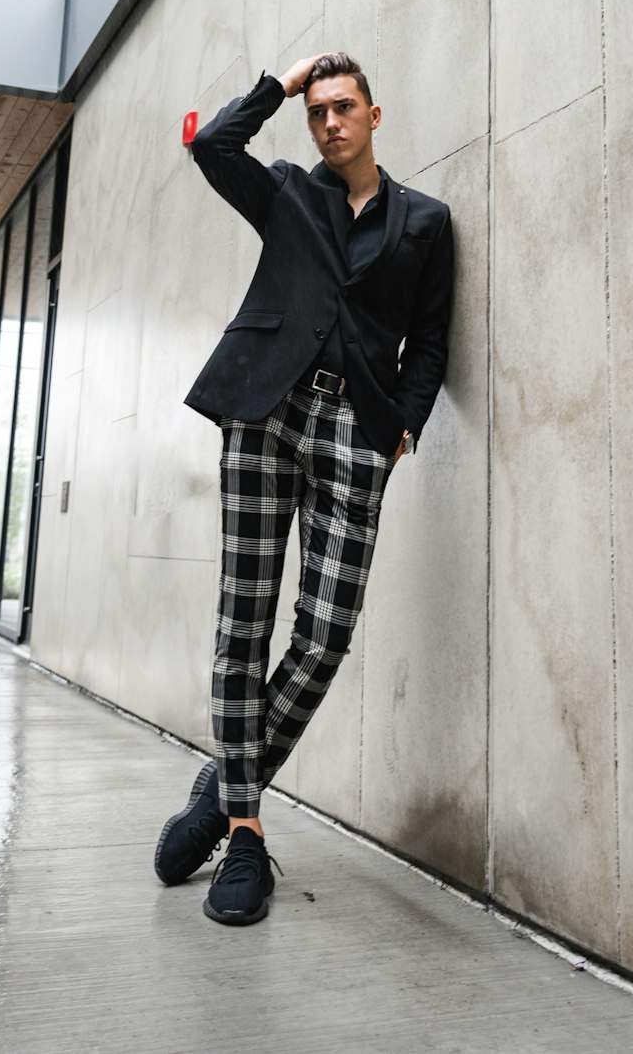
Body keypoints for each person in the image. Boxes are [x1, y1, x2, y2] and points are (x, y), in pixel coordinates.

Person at [153, 52, 454, 925]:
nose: (329, 121)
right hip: (264, 410)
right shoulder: (287, 190)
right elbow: (212, 147)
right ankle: (245, 834)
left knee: (323, 636)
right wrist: (276, 85)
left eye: (342, 107)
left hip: (356, 431)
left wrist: (400, 428)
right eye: (316, 109)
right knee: (243, 620)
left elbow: (429, 342)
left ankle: (222, 781)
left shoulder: (426, 222)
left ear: (374, 114)